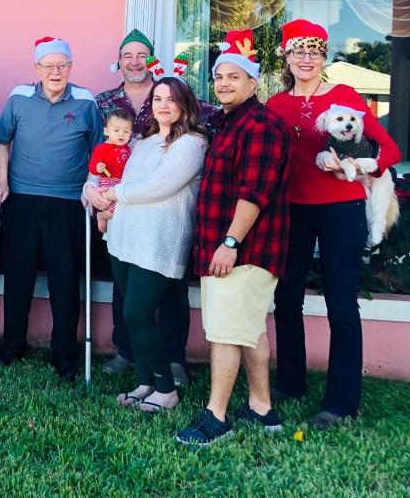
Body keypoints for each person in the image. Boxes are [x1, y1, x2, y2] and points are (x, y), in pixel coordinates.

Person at [266, 19, 401, 429]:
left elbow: (390, 148)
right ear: (286, 57)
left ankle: (342, 400)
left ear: (324, 56)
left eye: (314, 51)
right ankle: (290, 381)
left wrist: (364, 164)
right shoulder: (275, 105)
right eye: (297, 51)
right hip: (291, 209)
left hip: (341, 209)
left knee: (341, 303)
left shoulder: (343, 96)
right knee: (286, 299)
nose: (305, 59)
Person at [175, 30, 291, 445]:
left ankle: (216, 416)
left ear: (253, 82)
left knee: (224, 333)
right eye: (219, 76)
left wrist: (229, 243)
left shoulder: (260, 124)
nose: (223, 83)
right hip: (230, 248)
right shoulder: (227, 121)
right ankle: (262, 407)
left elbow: (254, 192)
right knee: (249, 328)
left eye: (234, 77)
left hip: (245, 251)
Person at [94, 30, 211, 386]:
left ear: (184, 104)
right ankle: (145, 380)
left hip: (159, 240)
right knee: (132, 315)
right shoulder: (141, 140)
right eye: (158, 99)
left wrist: (114, 197)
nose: (162, 105)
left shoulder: (193, 142)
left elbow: (157, 187)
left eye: (170, 100)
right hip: (126, 236)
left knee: (142, 312)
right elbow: (112, 171)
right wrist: (95, 193)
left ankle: (165, 379)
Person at [0, 37, 102, 383]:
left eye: (62, 65)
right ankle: (12, 344)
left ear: (71, 67)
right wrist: (1, 182)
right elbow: (3, 141)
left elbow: (98, 150)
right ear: (36, 68)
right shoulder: (19, 97)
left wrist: (91, 185)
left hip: (69, 202)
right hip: (21, 197)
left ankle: (64, 352)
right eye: (48, 65)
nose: (55, 71)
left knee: (65, 279)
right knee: (19, 275)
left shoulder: (85, 102)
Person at [87, 109, 133, 233]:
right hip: (108, 180)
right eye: (116, 130)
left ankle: (106, 219)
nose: (121, 134)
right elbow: (92, 167)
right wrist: (98, 167)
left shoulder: (128, 148)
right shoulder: (102, 148)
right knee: (115, 208)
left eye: (126, 131)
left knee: (122, 206)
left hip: (122, 182)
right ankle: (101, 216)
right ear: (107, 131)